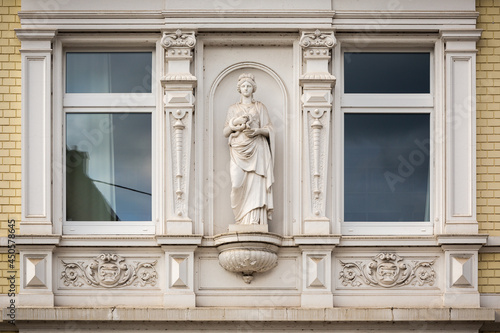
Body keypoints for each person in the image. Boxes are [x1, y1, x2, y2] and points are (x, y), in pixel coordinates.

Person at [223, 73, 275, 225]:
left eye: (249, 86)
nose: (246, 88)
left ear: (253, 89)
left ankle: (254, 221)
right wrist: (234, 124)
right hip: (238, 150)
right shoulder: (233, 108)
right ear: (239, 89)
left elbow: (269, 129)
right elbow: (225, 132)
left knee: (257, 185)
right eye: (243, 86)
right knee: (236, 185)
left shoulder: (260, 107)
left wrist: (258, 131)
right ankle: (240, 220)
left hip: (257, 149)